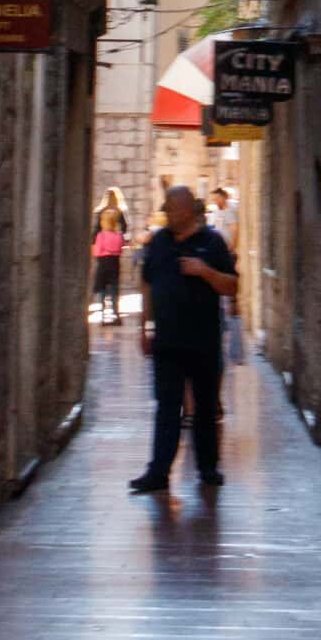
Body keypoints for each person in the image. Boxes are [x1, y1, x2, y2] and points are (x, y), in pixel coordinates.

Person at [131, 184, 238, 494]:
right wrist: (145, 328)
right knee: (167, 406)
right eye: (166, 208)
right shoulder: (160, 243)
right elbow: (148, 285)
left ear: (189, 210)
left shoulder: (212, 242)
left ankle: (207, 469)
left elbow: (231, 286)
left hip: (203, 340)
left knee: (204, 407)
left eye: (172, 209)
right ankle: (158, 472)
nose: (168, 213)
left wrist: (205, 271)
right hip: (167, 340)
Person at [90, 187, 127, 321]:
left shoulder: (101, 213)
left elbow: (95, 233)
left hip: (102, 260)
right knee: (114, 285)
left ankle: (101, 310)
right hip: (114, 260)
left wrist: (95, 249)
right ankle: (115, 311)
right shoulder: (119, 212)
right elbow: (124, 229)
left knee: (101, 285)